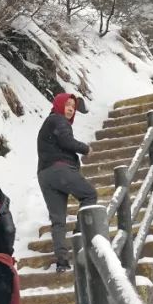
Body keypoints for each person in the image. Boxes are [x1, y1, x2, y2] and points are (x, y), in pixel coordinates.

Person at [36, 92, 97, 272]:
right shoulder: (58, 120)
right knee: (90, 195)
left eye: (73, 106)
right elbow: (66, 140)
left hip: (45, 175)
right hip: (60, 170)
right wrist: (86, 149)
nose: (70, 109)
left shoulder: (48, 123)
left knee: (58, 220)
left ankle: (62, 261)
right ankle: (79, 238)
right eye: (67, 104)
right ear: (58, 104)